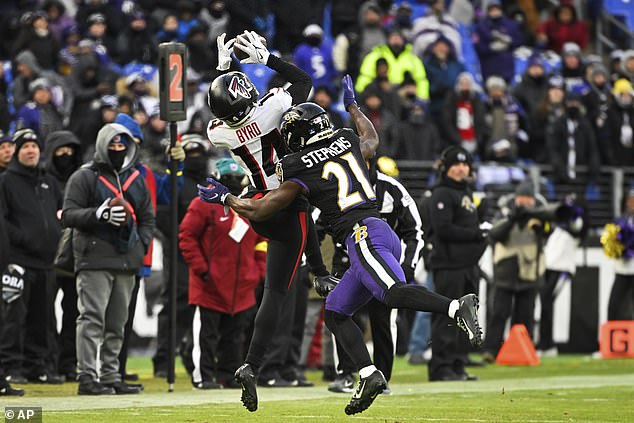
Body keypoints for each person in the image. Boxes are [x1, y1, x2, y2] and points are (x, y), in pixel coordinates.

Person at [199, 75, 482, 415]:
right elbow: (371, 138)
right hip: (378, 231)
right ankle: (368, 374)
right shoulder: (347, 139)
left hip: (362, 233)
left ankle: (455, 307)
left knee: (392, 293)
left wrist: (227, 197)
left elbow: (261, 207)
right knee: (335, 312)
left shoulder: (299, 166)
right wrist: (352, 106)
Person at [205, 31, 336, 412]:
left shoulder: (220, 132)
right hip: (284, 197)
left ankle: (251, 364)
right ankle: (320, 270)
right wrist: (267, 59)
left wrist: (223, 69)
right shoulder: (273, 106)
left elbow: (225, 105)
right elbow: (304, 81)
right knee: (279, 288)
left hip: (257, 205)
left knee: (273, 291)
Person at [61, 123, 154, 395]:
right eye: (112, 144)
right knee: (92, 319)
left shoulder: (134, 177)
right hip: (94, 259)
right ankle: (88, 377)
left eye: (121, 145)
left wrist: (141, 244)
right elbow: (68, 214)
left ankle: (111, 374)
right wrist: (97, 214)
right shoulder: (84, 177)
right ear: (102, 144)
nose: (117, 149)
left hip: (126, 260)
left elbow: (148, 217)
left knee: (117, 324)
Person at [328, 155, 425, 394]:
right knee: (339, 313)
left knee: (383, 320)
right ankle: (346, 374)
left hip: (383, 262)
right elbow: (317, 225)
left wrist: (408, 265)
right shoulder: (338, 184)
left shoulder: (391, 188)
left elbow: (415, 230)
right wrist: (313, 266)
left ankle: (381, 377)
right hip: (348, 262)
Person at [179, 157, 267, 389]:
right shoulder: (202, 205)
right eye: (229, 179)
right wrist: (202, 269)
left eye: (237, 179)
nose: (234, 183)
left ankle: (229, 375)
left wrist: (257, 272)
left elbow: (262, 242)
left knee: (234, 337)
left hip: (243, 286)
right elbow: (187, 237)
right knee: (206, 335)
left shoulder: (250, 204)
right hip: (210, 283)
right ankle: (204, 376)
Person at [0, 129, 63, 384]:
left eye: (34, 146)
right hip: (17, 262)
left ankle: (38, 367)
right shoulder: (5, 181)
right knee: (13, 318)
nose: (30, 151)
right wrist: (25, 239)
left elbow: (59, 214)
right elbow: (3, 221)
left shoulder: (49, 182)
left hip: (46, 262)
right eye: (25, 146)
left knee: (43, 318)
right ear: (16, 152)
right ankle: (10, 367)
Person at [426, 145, 487, 382]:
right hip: (449, 265)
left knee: (468, 319)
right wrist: (475, 233)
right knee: (448, 318)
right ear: (446, 168)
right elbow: (443, 229)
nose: (461, 169)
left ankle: (458, 364)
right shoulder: (442, 193)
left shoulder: (466, 192)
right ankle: (441, 367)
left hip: (467, 265)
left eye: (465, 164)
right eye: (456, 164)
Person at [482, 181, 548, 361]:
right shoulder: (504, 211)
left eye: (529, 200)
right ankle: (491, 351)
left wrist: (539, 225)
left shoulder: (540, 214)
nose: (526, 203)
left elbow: (548, 234)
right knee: (499, 313)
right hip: (506, 271)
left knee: (525, 315)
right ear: (517, 198)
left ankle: (524, 350)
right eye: (523, 199)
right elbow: (495, 235)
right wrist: (513, 219)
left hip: (529, 271)